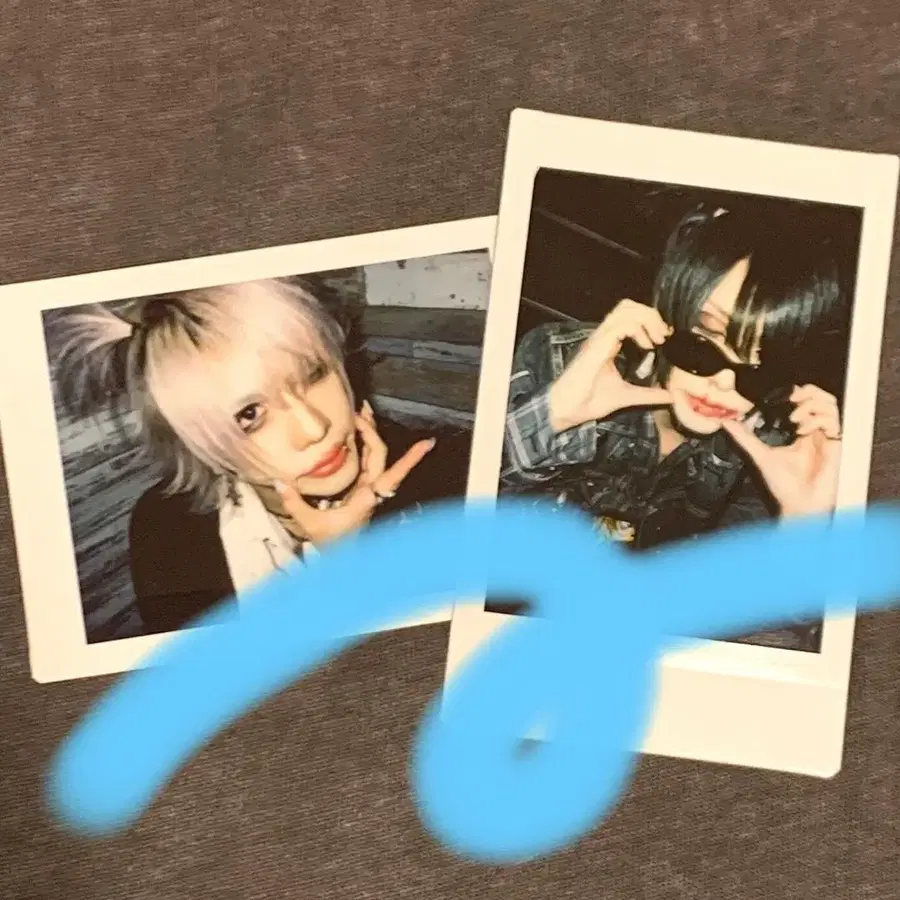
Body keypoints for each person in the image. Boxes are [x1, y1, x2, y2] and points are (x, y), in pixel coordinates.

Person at [499, 206, 849, 646]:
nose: (724, 384)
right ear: (669, 308)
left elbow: (755, 620)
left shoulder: (772, 443)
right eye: (705, 342)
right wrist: (553, 419)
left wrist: (804, 529)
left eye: (760, 370)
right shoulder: (563, 362)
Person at [53, 278, 469, 635]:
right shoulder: (165, 531)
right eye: (250, 414)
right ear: (199, 445)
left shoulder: (447, 478)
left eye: (313, 373)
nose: (314, 428)